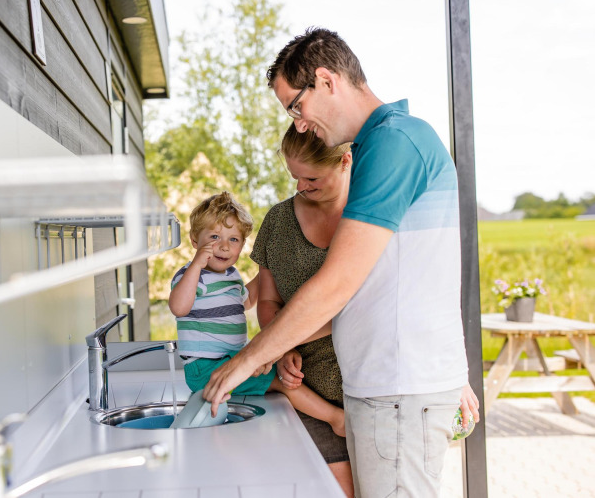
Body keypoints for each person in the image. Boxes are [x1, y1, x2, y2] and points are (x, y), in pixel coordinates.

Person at [203, 28, 481, 498]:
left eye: (296, 106)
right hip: (391, 388)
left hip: (398, 391)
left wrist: (249, 359)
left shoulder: (393, 145)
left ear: (326, 80)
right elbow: (377, 292)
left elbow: (338, 284)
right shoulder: (387, 144)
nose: (300, 125)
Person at [169, 191, 346, 437]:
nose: (223, 245)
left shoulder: (230, 276)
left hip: (229, 361)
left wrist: (271, 268)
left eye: (234, 239)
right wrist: (196, 265)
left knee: (281, 375)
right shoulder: (192, 275)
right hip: (205, 369)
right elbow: (179, 307)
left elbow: (249, 299)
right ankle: (336, 419)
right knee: (283, 382)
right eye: (214, 237)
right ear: (194, 240)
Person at [252, 123, 354, 496]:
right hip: (307, 396)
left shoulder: (370, 220)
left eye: (311, 177)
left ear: (345, 161)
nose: (300, 187)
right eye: (294, 177)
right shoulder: (278, 223)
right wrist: (282, 349)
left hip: (375, 395)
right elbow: (268, 301)